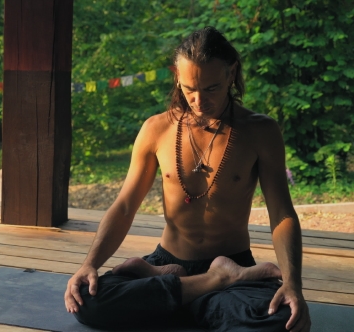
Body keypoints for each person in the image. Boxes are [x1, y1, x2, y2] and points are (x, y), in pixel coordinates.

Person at [64, 27, 311, 332]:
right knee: (87, 302)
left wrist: (293, 284)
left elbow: (281, 214)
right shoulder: (156, 129)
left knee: (282, 322)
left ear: (231, 73)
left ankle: (174, 293)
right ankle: (210, 283)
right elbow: (126, 205)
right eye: (189, 88)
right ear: (176, 75)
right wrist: (89, 264)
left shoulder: (261, 132)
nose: (198, 100)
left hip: (234, 261)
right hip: (168, 260)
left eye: (211, 88)